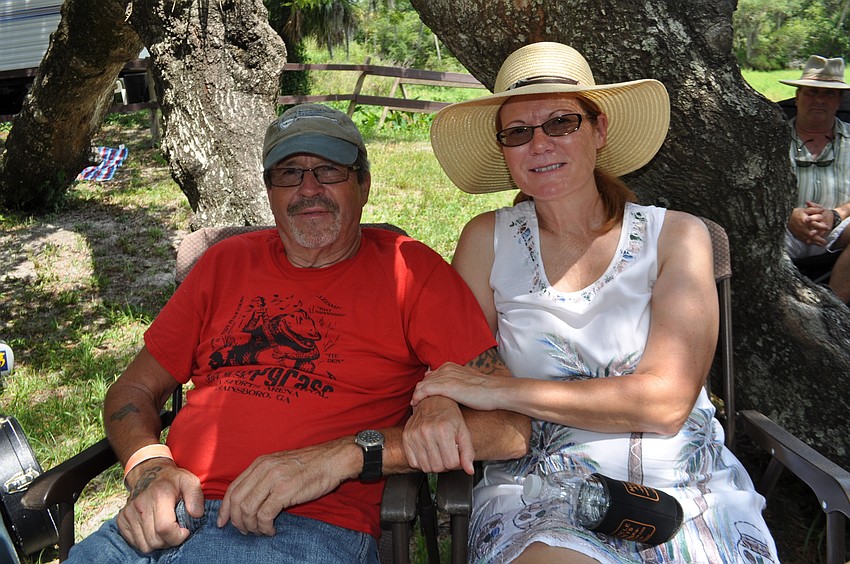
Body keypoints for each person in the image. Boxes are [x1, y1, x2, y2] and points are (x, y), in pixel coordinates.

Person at [63, 103, 529, 563]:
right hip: (162, 518)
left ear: (363, 184)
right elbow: (134, 388)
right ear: (269, 191)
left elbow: (508, 430)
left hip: (300, 529)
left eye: (329, 170)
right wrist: (150, 468)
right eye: (288, 173)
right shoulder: (226, 263)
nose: (309, 189)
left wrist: (345, 456)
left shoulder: (410, 271)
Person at [414, 42, 779, 563]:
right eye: (518, 132)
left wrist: (504, 391)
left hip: (686, 485)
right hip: (542, 488)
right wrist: (443, 398)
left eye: (561, 123)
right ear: (504, 152)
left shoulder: (677, 237)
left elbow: (666, 403)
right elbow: (456, 366)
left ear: (599, 129)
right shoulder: (486, 241)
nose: (539, 144)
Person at [779, 55, 850, 304]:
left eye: (829, 94)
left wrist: (837, 214)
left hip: (839, 230)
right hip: (780, 229)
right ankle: (782, 310)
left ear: (839, 100)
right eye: (812, 92)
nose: (819, 99)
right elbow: (747, 193)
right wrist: (786, 214)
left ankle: (834, 310)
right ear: (797, 96)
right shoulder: (770, 139)